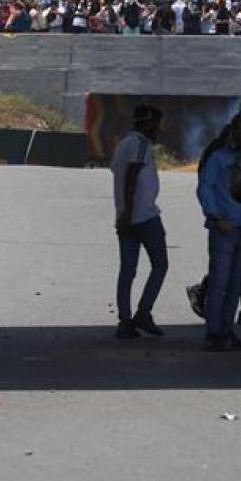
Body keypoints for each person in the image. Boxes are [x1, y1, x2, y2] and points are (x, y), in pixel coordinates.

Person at [111, 105, 168, 340]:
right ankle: (143, 312)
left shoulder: (123, 144)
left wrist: (123, 213)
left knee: (127, 270)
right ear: (148, 124)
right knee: (160, 265)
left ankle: (125, 320)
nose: (158, 130)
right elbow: (132, 176)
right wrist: (130, 213)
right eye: (156, 125)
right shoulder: (141, 145)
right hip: (144, 217)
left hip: (126, 216)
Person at [196, 113, 241, 351]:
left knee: (236, 286)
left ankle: (227, 330)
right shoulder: (219, 159)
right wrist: (216, 216)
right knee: (219, 283)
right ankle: (213, 332)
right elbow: (205, 188)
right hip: (224, 228)